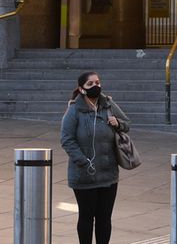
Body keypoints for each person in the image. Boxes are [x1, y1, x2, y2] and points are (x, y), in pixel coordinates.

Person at [61, 71, 131, 244]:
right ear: (81, 89)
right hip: (84, 175)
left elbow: (127, 124)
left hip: (108, 173)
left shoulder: (108, 104)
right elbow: (66, 140)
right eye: (90, 84)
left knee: (104, 218)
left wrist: (118, 123)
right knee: (86, 217)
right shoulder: (74, 110)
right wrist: (83, 162)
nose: (96, 86)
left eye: (98, 82)